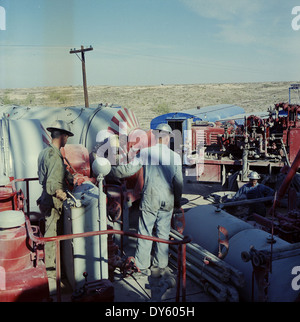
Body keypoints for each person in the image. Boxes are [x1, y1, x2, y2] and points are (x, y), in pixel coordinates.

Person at [110, 123, 183, 276]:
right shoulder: (175, 156)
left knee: (145, 232)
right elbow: (178, 182)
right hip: (168, 198)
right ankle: (160, 266)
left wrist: (110, 169)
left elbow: (128, 170)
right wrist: (176, 202)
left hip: (151, 197)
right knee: (163, 232)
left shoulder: (146, 152)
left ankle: (142, 266)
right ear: (169, 137)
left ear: (156, 136)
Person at [37, 120, 74, 269]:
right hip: (53, 203)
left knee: (50, 235)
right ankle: (51, 271)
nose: (67, 140)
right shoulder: (54, 156)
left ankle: (54, 267)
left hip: (45, 199)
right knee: (52, 237)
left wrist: (70, 176)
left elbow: (46, 174)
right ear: (63, 136)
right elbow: (52, 185)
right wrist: (63, 194)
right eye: (67, 137)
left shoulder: (45, 152)